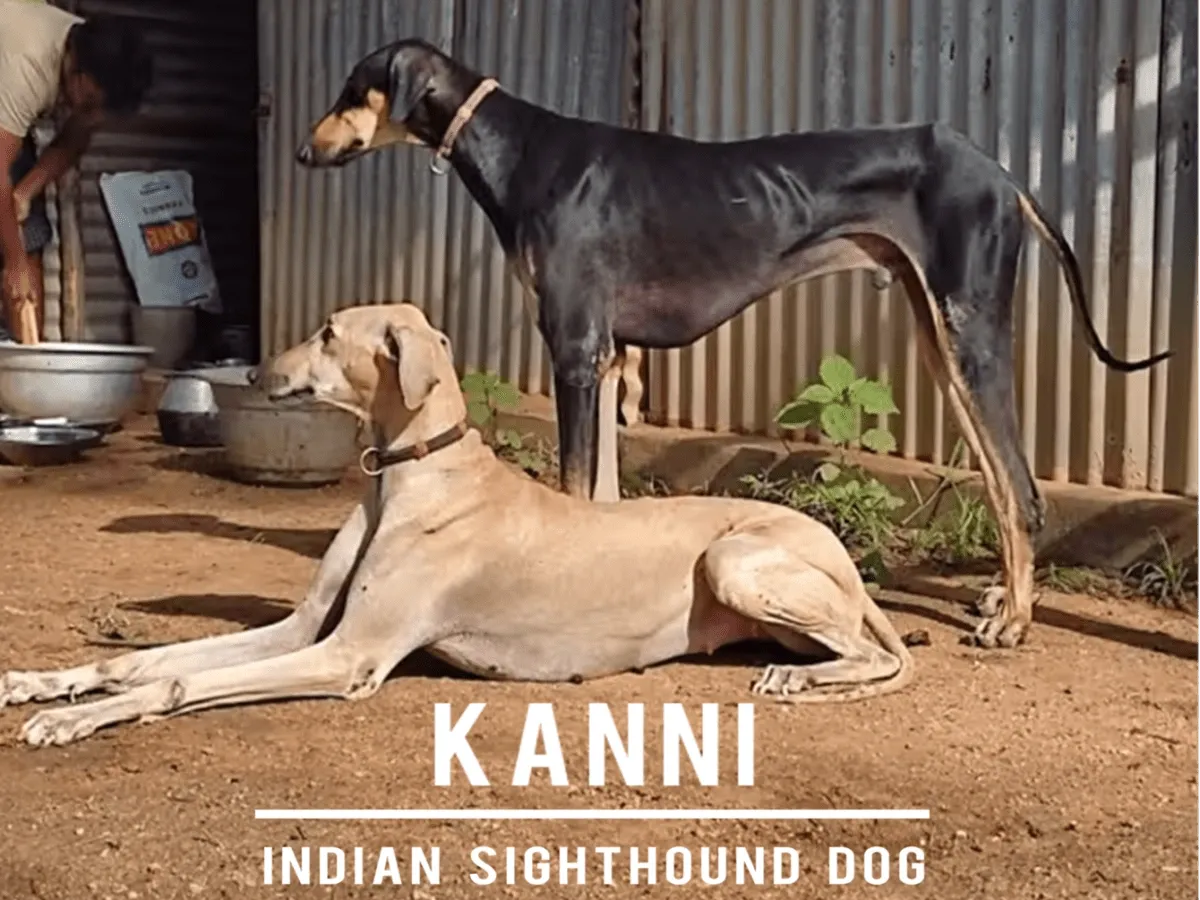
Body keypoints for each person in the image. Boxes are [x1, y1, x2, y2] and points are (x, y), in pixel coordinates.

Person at [0, 0, 153, 341]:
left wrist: (24, 193)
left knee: (27, 231)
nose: (94, 115)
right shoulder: (28, 67)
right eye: (92, 103)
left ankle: (29, 358)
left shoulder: (90, 56)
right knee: (15, 254)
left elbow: (75, 137)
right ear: (78, 75)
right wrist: (14, 263)